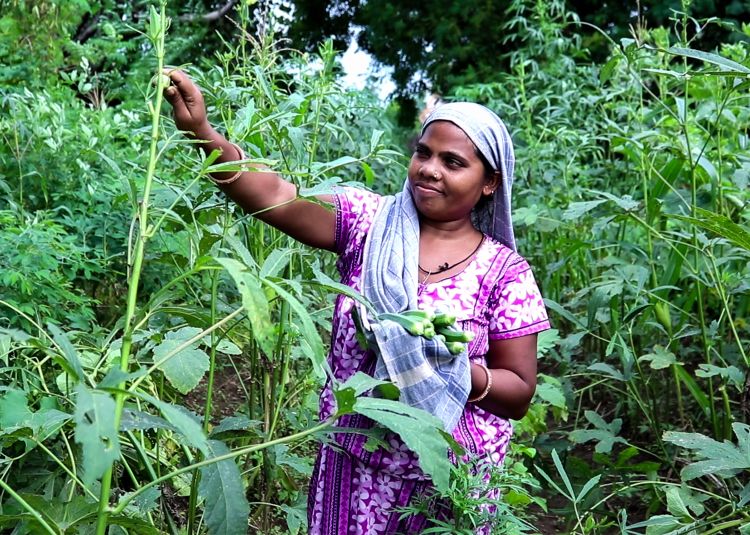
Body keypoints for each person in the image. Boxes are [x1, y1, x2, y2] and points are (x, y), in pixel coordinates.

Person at [164, 69, 550, 534]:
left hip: (446, 479)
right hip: (355, 462)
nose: (429, 169)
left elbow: (520, 392)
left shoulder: (506, 273)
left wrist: (447, 367)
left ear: (489, 183)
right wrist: (202, 133)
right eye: (423, 153)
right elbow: (278, 197)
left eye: (453, 162)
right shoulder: (370, 225)